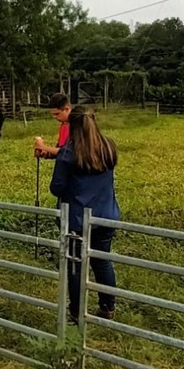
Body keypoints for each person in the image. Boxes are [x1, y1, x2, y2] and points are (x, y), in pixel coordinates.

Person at [49, 105, 120, 323]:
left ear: (72, 125)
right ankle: (108, 307)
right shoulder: (108, 146)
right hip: (106, 214)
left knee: (75, 266)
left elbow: (57, 187)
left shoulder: (69, 153)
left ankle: (76, 312)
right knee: (102, 261)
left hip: (77, 219)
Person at [34, 92, 72, 160]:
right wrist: (47, 153)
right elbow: (60, 149)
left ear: (67, 109)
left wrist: (43, 147)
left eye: (57, 114)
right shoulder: (64, 125)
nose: (55, 117)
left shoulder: (78, 125)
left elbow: (69, 153)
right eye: (53, 114)